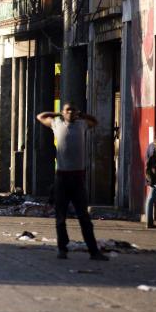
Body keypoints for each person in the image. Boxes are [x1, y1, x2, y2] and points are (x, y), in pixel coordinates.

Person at [36, 103, 108, 260]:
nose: (70, 113)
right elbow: (40, 116)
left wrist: (82, 115)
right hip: (62, 177)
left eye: (73, 110)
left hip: (78, 178)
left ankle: (93, 251)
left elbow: (95, 121)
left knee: (84, 216)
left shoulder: (82, 124)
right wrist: (56, 113)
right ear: (63, 112)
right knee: (60, 216)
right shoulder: (56, 123)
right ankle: (62, 249)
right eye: (67, 110)